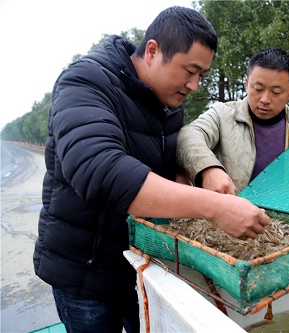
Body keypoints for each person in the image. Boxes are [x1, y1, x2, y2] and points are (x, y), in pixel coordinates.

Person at [33, 6, 269, 333]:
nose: (195, 85)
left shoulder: (169, 105)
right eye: (190, 71)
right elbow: (99, 170)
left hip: (142, 266)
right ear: (153, 51)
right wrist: (215, 208)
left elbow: (164, 166)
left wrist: (201, 175)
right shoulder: (86, 82)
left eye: (202, 75)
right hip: (86, 276)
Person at [176, 47, 289, 195]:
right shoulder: (222, 115)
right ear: (247, 83)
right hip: (231, 213)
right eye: (258, 89)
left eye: (276, 92)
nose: (265, 99)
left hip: (287, 215)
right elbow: (188, 135)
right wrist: (208, 169)